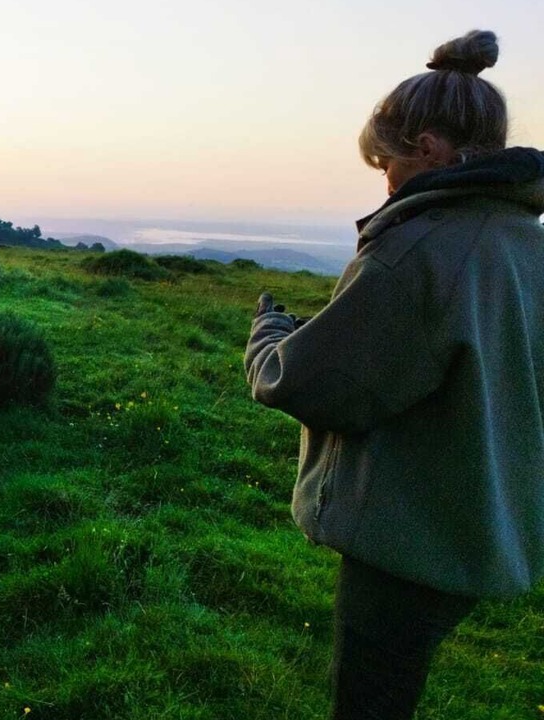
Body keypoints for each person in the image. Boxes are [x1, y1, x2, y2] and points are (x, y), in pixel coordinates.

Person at [243, 30, 544, 719]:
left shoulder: (424, 248)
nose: (386, 180)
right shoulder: (524, 242)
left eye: (387, 162)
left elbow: (315, 382)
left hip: (411, 539)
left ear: (431, 148)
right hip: (484, 525)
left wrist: (269, 333)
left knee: (370, 703)